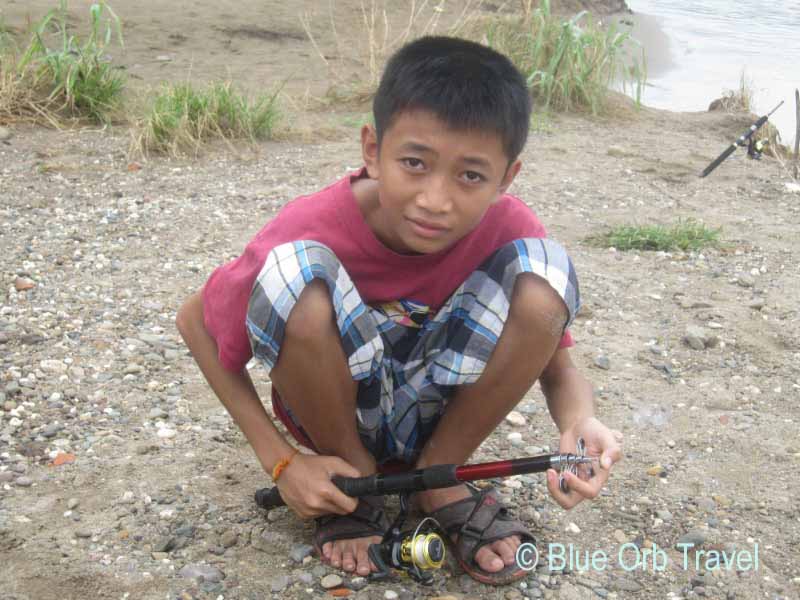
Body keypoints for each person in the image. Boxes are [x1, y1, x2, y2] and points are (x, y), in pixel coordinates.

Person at [176, 36, 622, 586]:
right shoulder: (313, 222)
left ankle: (440, 476)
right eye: (415, 163)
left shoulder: (511, 228)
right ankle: (354, 477)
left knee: (545, 274)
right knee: (295, 271)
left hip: (443, 415)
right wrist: (282, 461)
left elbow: (557, 364)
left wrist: (578, 421)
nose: (435, 200)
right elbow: (194, 320)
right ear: (372, 150)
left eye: (470, 176)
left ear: (507, 178)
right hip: (333, 413)